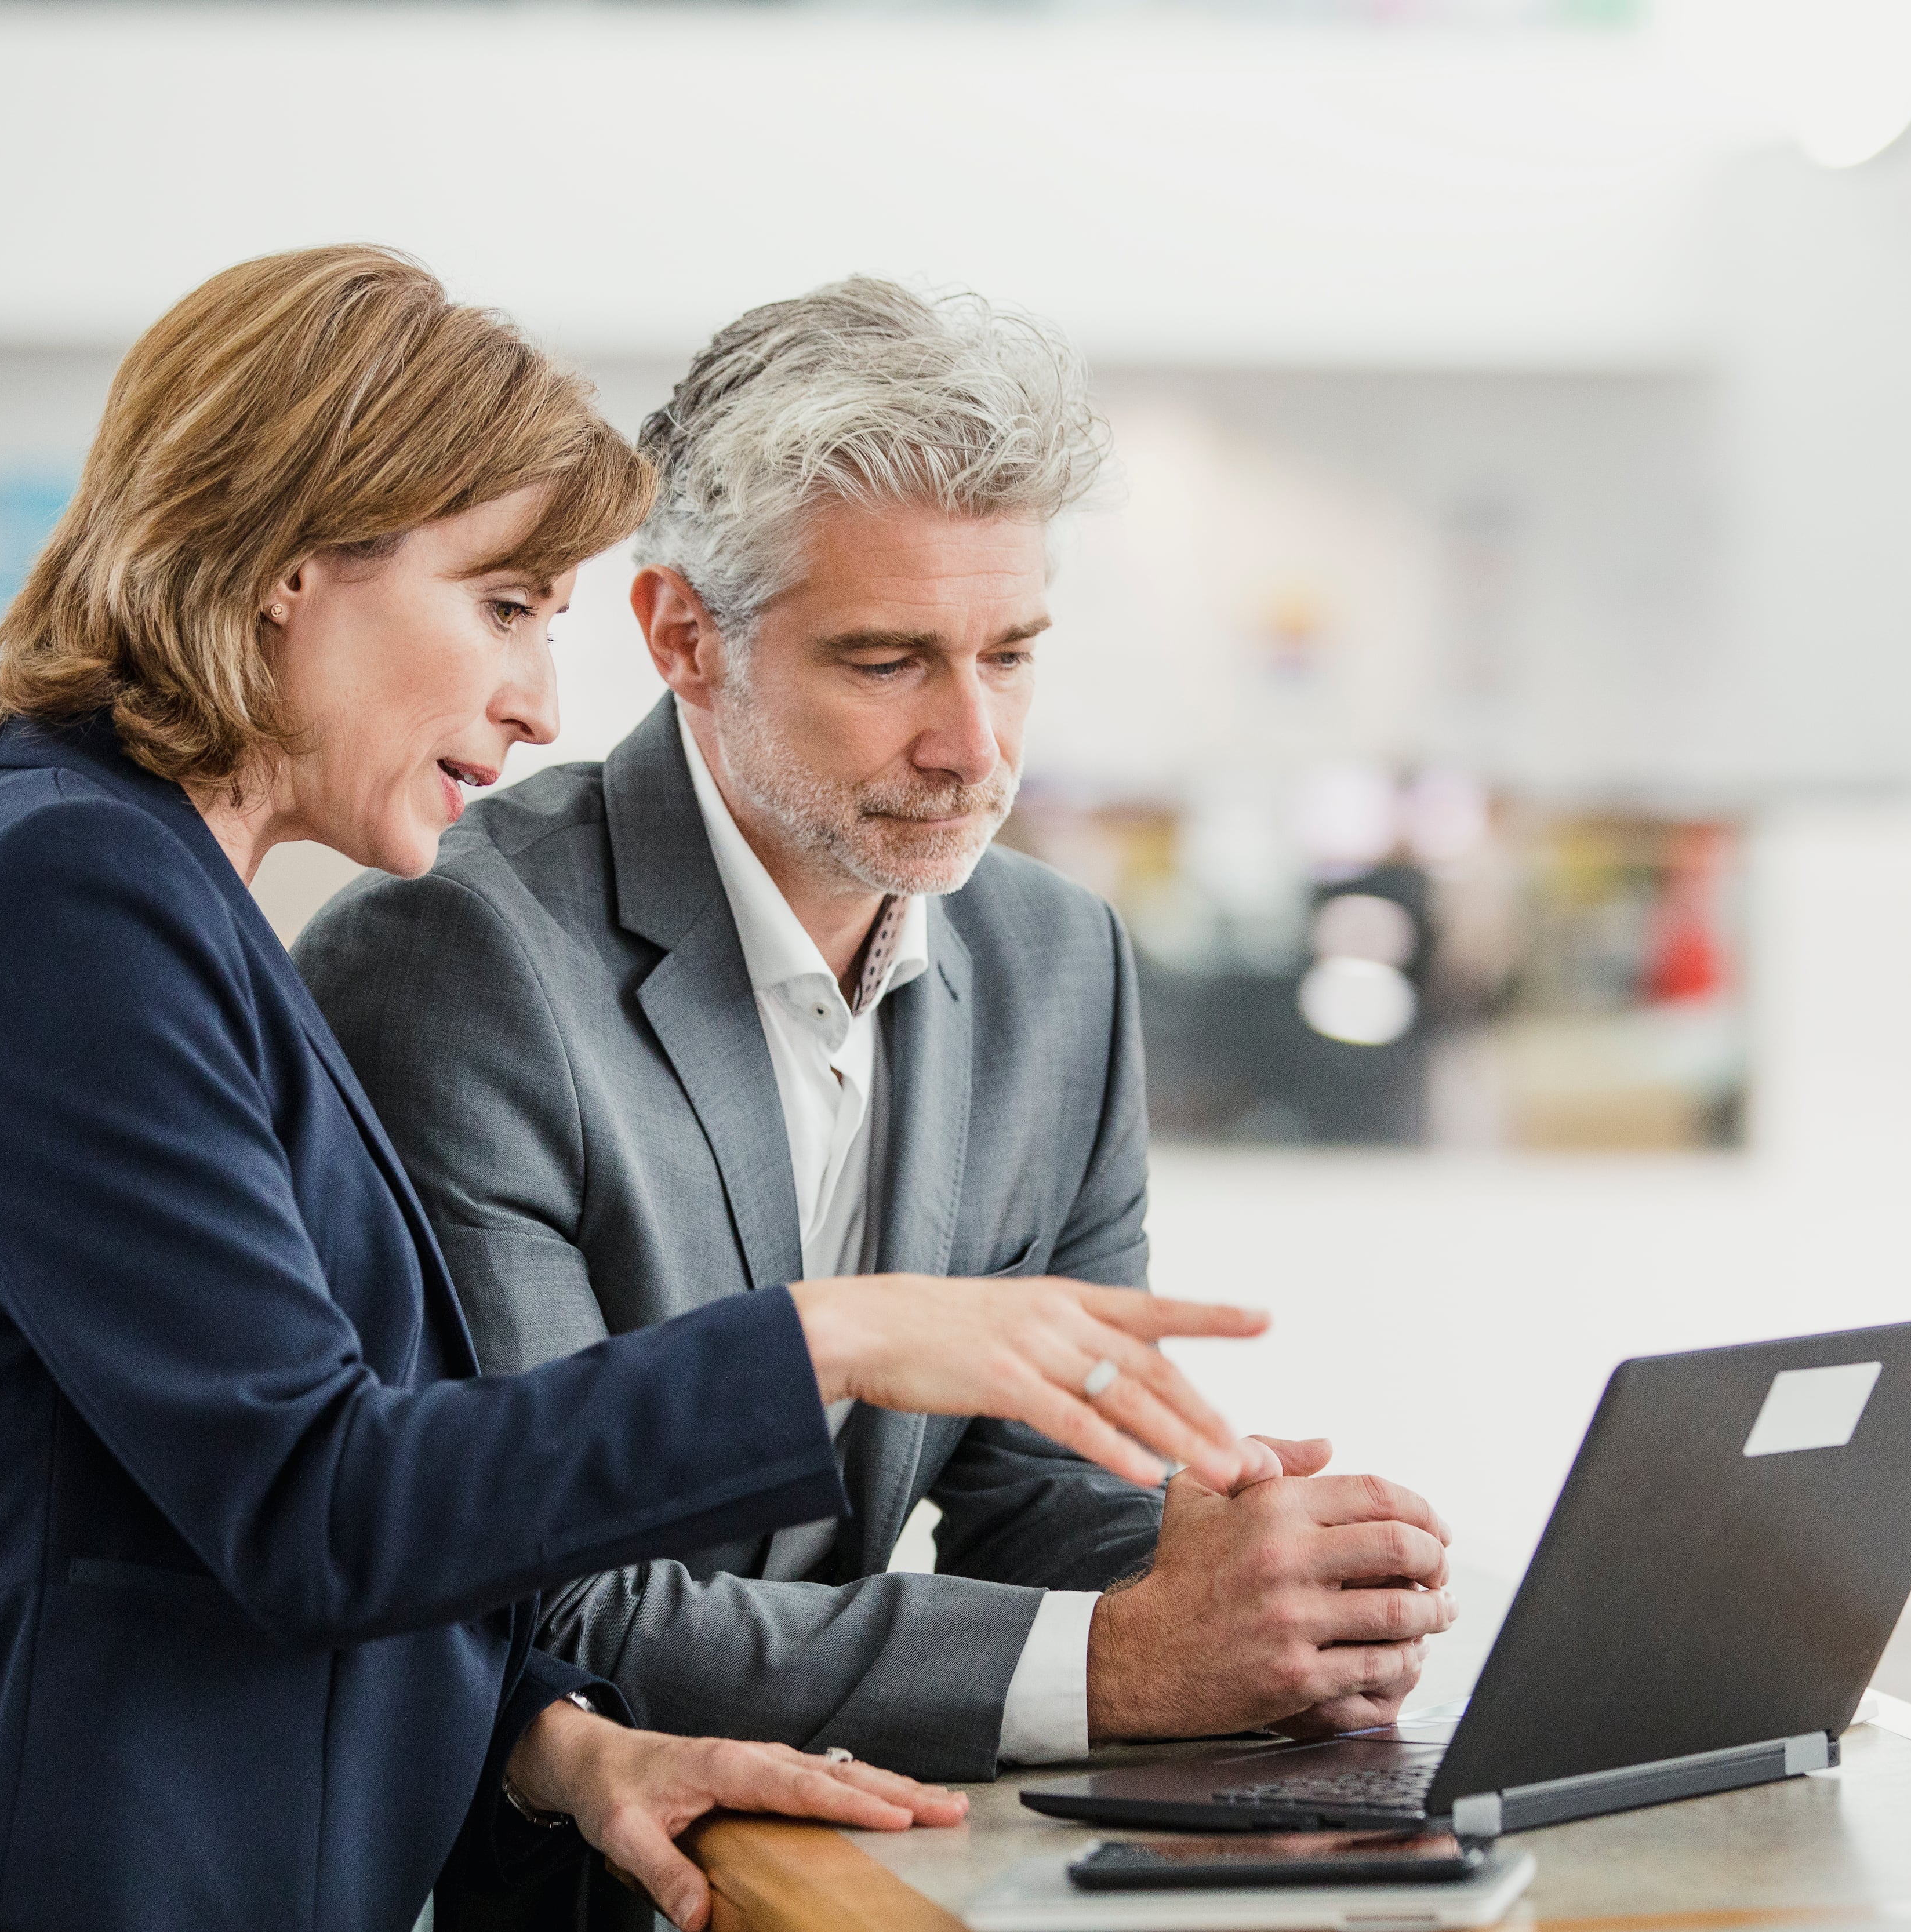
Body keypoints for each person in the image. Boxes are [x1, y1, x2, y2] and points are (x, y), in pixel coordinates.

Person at [0, 245, 1269, 1932]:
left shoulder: (148, 894)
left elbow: (252, 1507)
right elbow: (320, 1506)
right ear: (288, 566)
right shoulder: (68, 896)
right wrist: (834, 1337)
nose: (540, 700)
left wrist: (551, 1743)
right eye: (502, 606)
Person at [292, 276, 1457, 1806]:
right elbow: (538, 1603)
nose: (975, 747)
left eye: (1011, 654)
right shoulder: (458, 960)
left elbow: (1036, 1494)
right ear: (683, 636)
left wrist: (1245, 1589)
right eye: (887, 661)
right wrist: (1114, 1667)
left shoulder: (1054, 960)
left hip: (856, 1847)